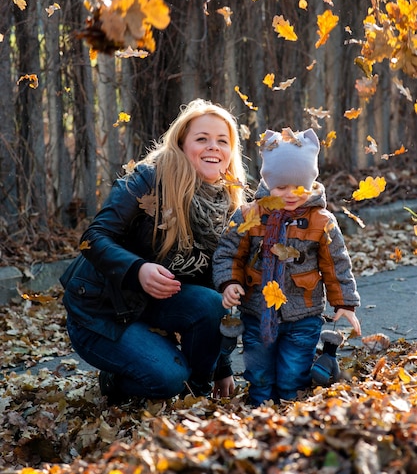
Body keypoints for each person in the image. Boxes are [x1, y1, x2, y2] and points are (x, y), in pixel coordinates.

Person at [60, 98, 246, 405]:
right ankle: (116, 380)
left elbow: (213, 285)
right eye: (202, 139)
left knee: (214, 302)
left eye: (222, 141)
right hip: (101, 313)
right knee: (168, 379)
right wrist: (137, 269)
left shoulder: (226, 204)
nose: (214, 147)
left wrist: (220, 367)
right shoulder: (147, 179)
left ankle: (195, 397)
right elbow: (93, 238)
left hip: (152, 306)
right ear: (182, 144)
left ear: (230, 152)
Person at [212, 127, 361, 406]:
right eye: (281, 187)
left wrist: (345, 303)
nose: (290, 194)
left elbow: (336, 263)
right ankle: (260, 408)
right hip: (257, 311)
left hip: (303, 312)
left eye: (299, 187)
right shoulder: (249, 215)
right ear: (267, 183)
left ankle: (290, 408)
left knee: (293, 372)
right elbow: (228, 254)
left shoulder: (321, 221)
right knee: (259, 372)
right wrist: (229, 283)